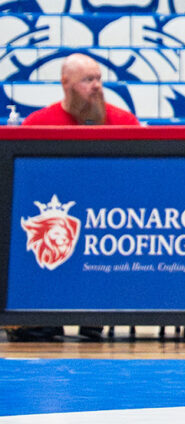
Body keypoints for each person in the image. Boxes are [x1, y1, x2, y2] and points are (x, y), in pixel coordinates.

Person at [18, 53, 140, 343]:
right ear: (66, 83)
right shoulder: (38, 123)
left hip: (106, 224)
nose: (97, 86)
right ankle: (41, 319)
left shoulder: (123, 121)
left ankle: (94, 320)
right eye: (88, 80)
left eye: (99, 79)